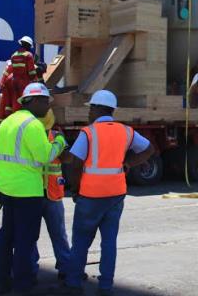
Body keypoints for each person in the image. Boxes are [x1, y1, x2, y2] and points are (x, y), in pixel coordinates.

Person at [62, 90, 155, 295]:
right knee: (109, 242)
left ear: (97, 109)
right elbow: (148, 150)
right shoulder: (125, 131)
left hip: (90, 196)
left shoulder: (89, 132)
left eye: (90, 108)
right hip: (115, 195)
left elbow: (75, 163)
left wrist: (75, 189)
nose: (88, 113)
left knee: (81, 243)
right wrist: (129, 163)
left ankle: (74, 283)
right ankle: (105, 286)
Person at [0, 83, 67, 295]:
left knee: (6, 237)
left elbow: (0, 156)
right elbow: (45, 157)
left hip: (7, 189)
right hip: (28, 192)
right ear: (33, 101)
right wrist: (60, 142)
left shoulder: (7, 122)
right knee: (26, 240)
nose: (47, 106)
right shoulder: (32, 125)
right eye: (45, 101)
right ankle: (22, 285)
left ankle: (1, 281)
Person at [32, 108, 71, 281]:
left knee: (56, 234)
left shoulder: (54, 136)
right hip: (36, 192)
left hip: (48, 192)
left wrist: (61, 144)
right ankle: (63, 268)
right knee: (39, 234)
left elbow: (67, 159)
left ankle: (63, 267)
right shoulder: (36, 135)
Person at [1, 37, 39, 114]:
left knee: (16, 99)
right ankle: (25, 114)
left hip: (14, 81)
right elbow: (31, 72)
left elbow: (12, 69)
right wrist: (36, 81)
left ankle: (15, 115)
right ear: (28, 46)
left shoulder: (14, 55)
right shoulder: (28, 55)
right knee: (25, 99)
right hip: (24, 82)